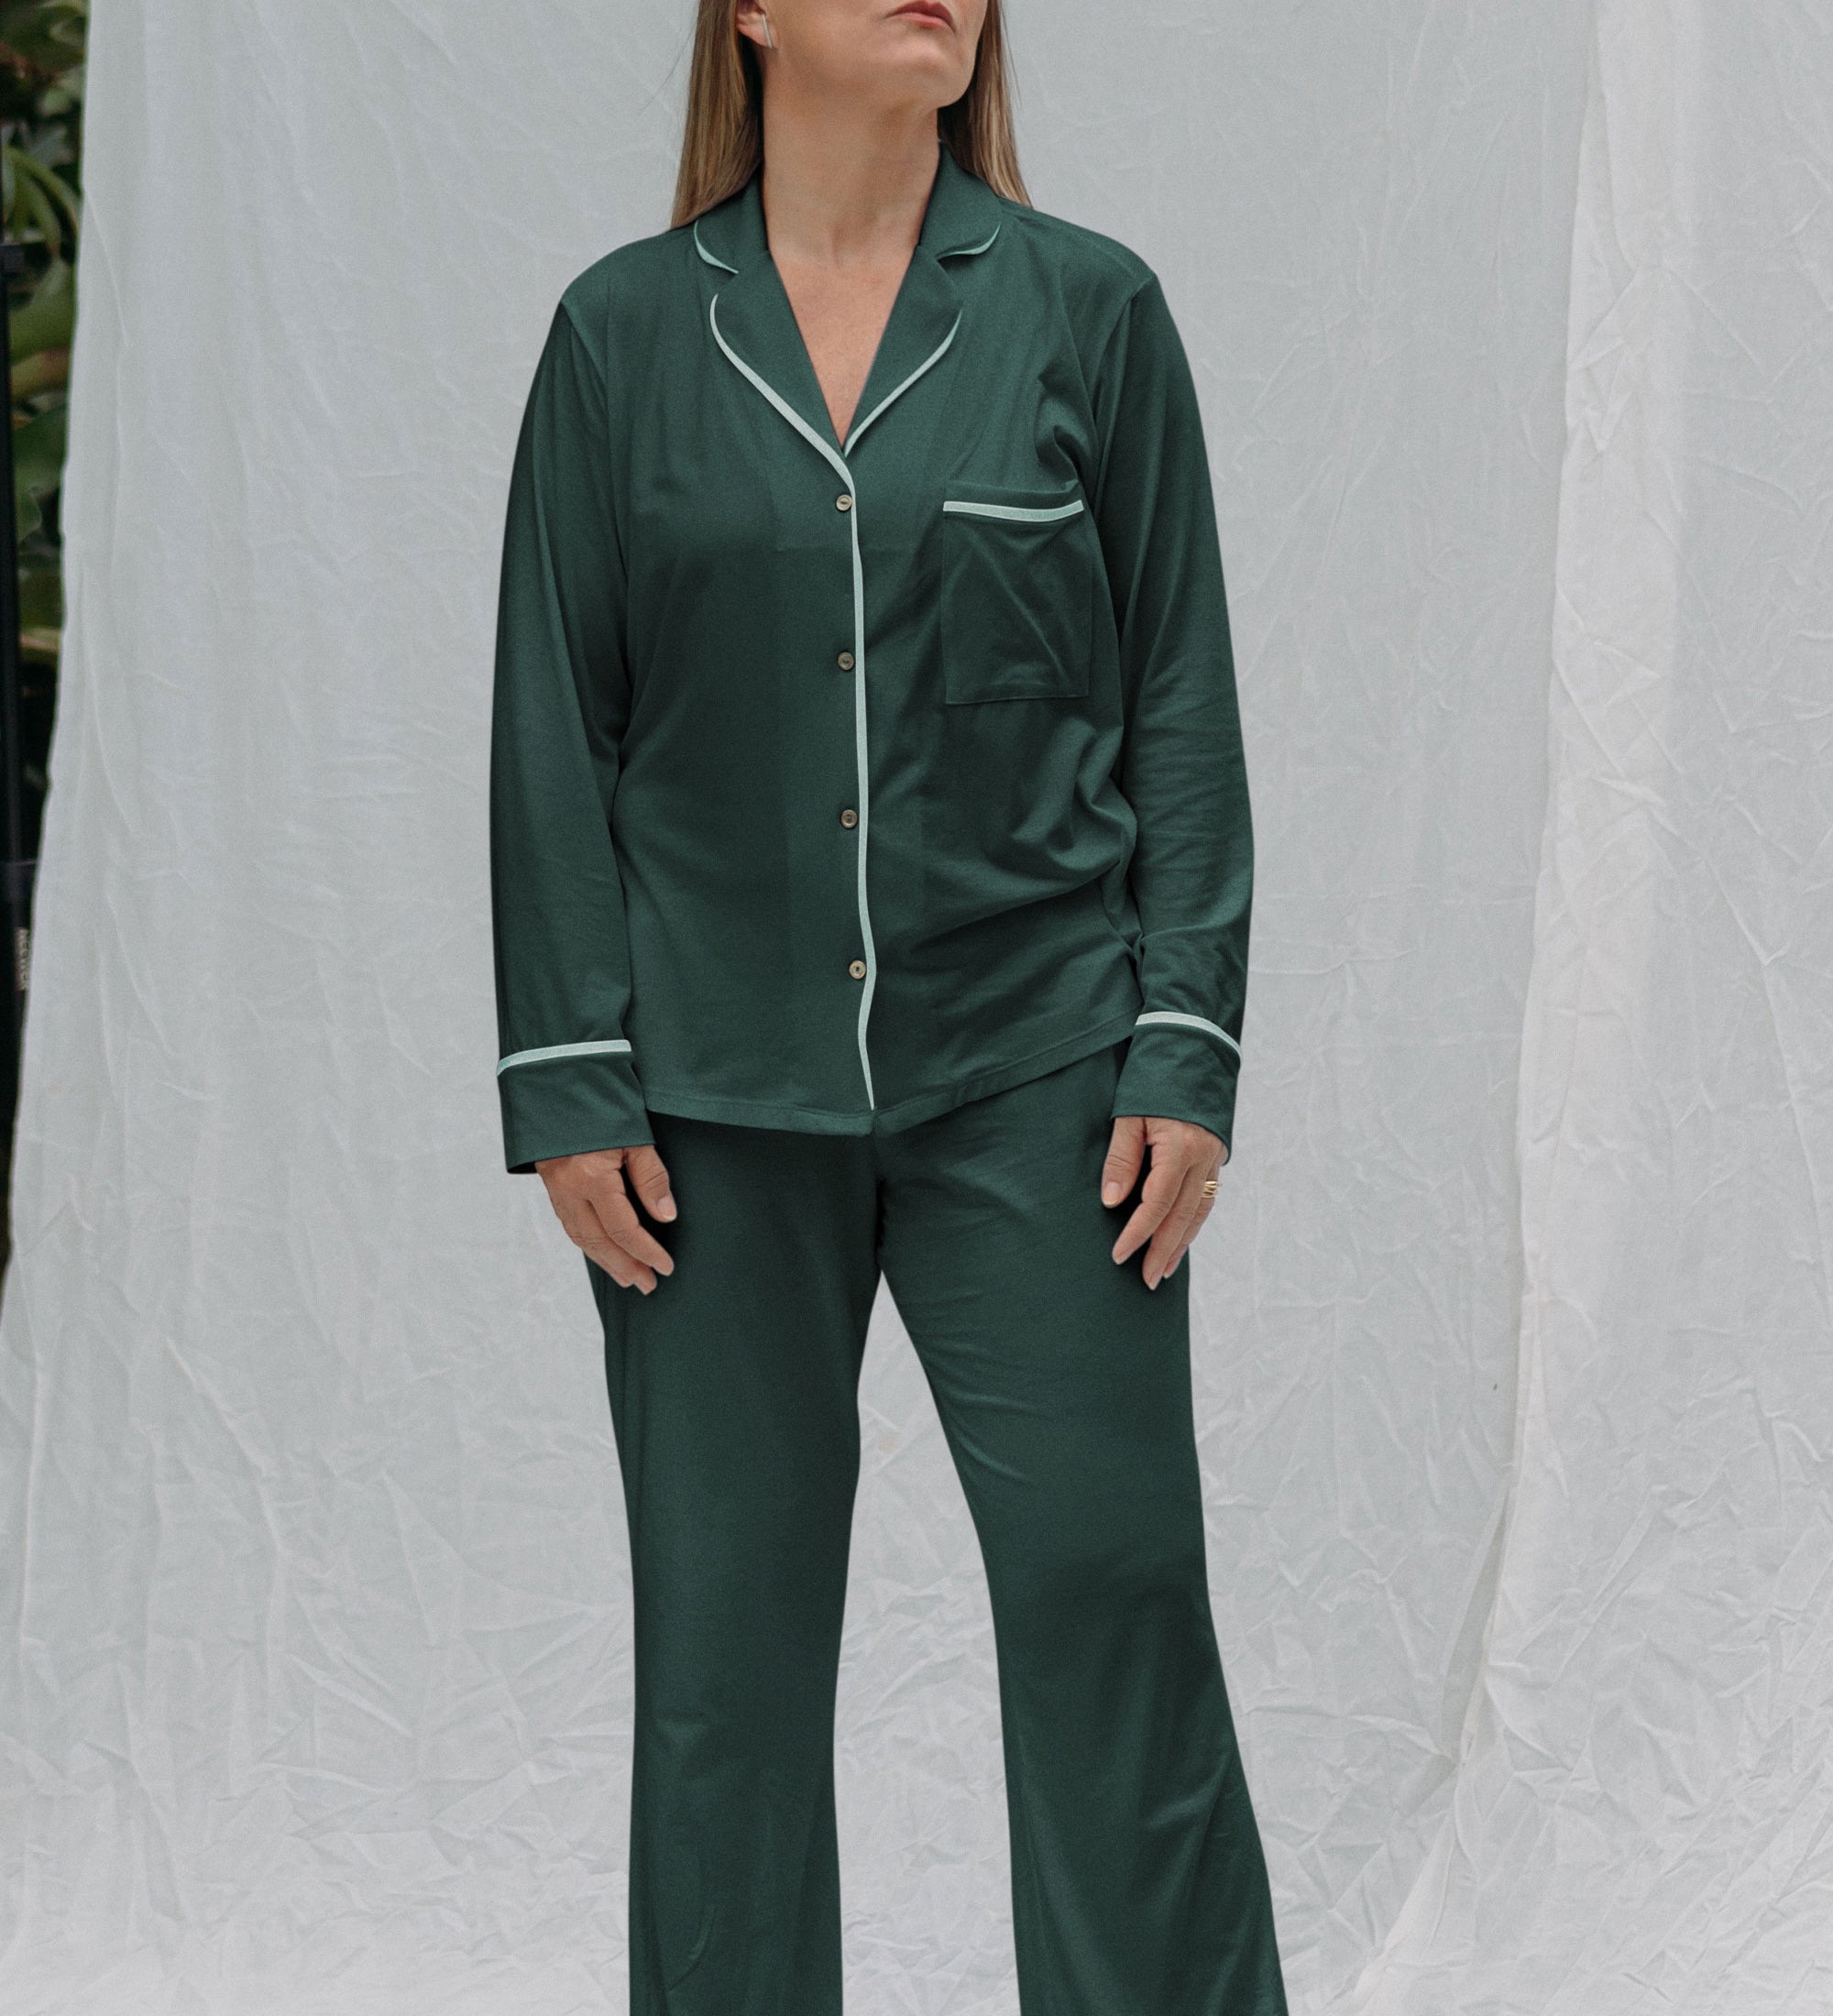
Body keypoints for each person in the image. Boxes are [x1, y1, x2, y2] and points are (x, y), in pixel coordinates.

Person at [488, 1, 1290, 2008]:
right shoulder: (620, 340)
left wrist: (1185, 1036)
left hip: (1044, 1074)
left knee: (1113, 1598)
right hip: (704, 1104)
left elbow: (1178, 691)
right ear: (748, 10)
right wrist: (571, 1071)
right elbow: (553, 722)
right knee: (725, 1664)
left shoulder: (1090, 314)